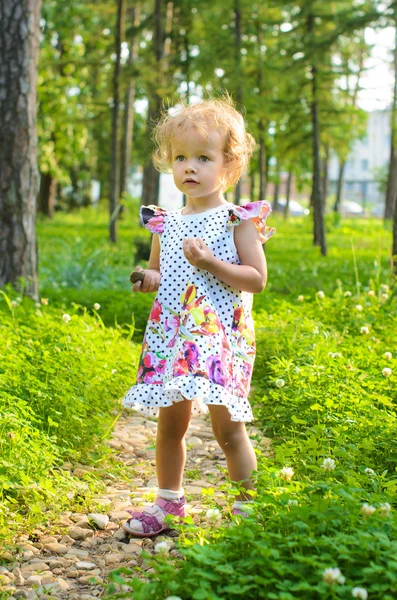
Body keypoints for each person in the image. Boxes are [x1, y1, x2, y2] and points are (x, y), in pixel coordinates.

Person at [122, 93, 276, 538]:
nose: (190, 167)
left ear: (228, 165)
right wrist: (147, 278)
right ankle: (168, 503)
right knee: (171, 425)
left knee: (228, 428)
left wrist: (212, 264)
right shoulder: (165, 222)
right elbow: (158, 270)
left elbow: (255, 279)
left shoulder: (236, 221)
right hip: (173, 336)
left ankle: (251, 507)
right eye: (181, 157)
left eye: (203, 158)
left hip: (219, 339)